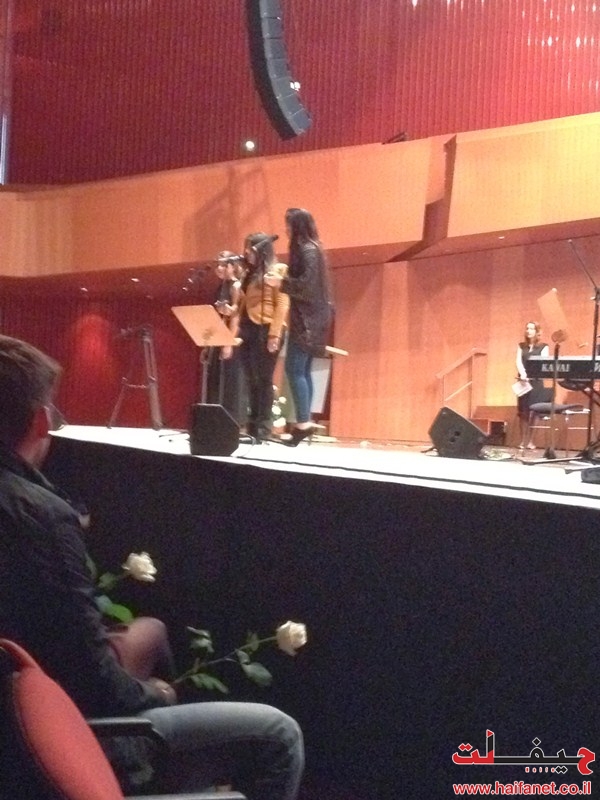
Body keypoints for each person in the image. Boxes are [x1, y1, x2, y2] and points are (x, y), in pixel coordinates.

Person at [0, 335, 303, 799]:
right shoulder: (40, 518)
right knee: (278, 734)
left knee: (150, 631)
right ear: (41, 419)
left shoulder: (37, 508)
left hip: (27, 707)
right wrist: (156, 694)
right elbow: (94, 681)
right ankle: (144, 771)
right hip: (56, 731)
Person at [266, 208, 333, 447]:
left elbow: (306, 286)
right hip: (311, 317)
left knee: (295, 369)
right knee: (302, 370)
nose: (286, 229)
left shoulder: (308, 250)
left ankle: (303, 424)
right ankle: (304, 423)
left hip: (308, 319)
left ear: (297, 226)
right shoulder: (312, 248)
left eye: (288, 225)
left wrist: (280, 282)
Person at [236, 234, 289, 443]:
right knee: (250, 378)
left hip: (267, 328)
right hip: (248, 328)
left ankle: (263, 428)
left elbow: (282, 304)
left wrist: (274, 334)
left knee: (263, 379)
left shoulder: (278, 270)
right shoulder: (248, 273)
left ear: (261, 250)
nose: (246, 252)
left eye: (250, 248)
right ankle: (252, 425)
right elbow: (244, 302)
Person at [205, 251, 247, 424]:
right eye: (217, 265)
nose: (219, 268)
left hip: (231, 338)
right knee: (215, 380)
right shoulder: (220, 287)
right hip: (218, 338)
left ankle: (232, 422)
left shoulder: (236, 286)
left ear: (232, 266)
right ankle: (215, 420)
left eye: (223, 265)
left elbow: (236, 316)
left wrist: (228, 342)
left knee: (231, 381)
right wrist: (208, 345)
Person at [515, 321, 549, 449]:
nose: (528, 331)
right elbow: (518, 361)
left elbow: (542, 363)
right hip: (523, 381)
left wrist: (532, 374)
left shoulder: (543, 347)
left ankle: (531, 441)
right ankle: (523, 440)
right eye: (527, 328)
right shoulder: (521, 346)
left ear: (537, 331)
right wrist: (523, 374)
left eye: (531, 328)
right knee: (523, 412)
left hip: (536, 381)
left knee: (534, 412)